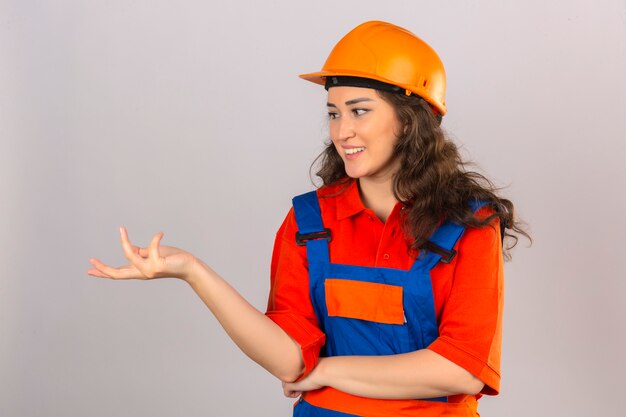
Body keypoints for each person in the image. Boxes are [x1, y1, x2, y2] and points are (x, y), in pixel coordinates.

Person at [88, 20, 528, 417]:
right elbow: (290, 359)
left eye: (360, 111)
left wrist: (328, 372)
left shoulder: (469, 224)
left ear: (412, 120)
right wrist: (191, 270)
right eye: (333, 113)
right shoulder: (310, 219)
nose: (341, 132)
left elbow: (462, 369)